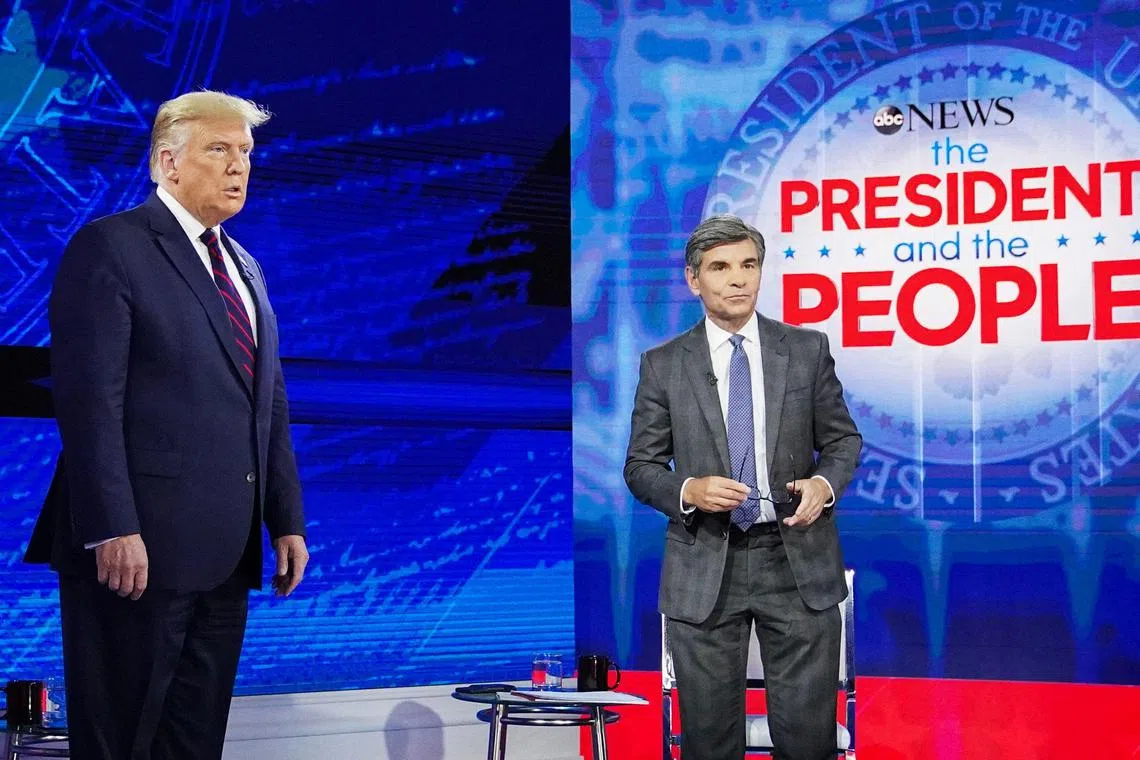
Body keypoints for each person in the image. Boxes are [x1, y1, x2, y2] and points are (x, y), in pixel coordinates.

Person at [25, 90, 309, 760]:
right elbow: (91, 402)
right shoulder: (111, 248)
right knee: (122, 740)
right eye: (220, 150)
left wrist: (286, 518)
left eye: (245, 152)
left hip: (226, 554)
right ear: (166, 162)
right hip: (136, 553)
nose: (239, 166)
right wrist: (112, 526)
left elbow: (266, 403)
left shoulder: (246, 268)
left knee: (192, 742)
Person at [624, 215, 861, 760]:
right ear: (693, 280)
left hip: (796, 561)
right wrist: (689, 489)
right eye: (720, 267)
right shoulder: (663, 365)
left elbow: (843, 441)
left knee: (808, 743)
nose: (738, 279)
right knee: (709, 745)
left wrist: (824, 484)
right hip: (705, 563)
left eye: (748, 265)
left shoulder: (806, 349)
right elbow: (641, 467)